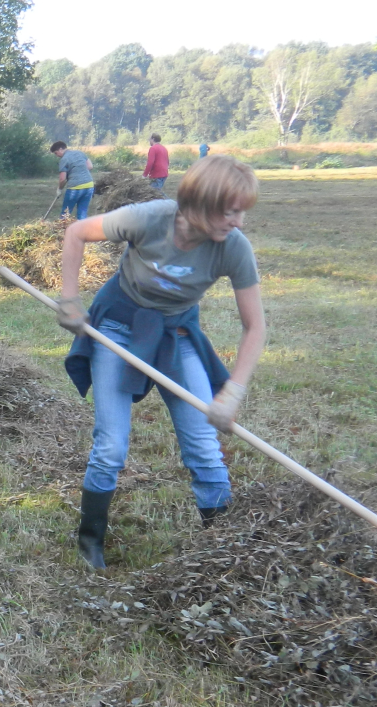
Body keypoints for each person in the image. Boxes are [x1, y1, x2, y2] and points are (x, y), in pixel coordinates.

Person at [53, 155, 266, 570]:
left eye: (243, 211)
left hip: (175, 334)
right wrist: (69, 298)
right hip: (117, 326)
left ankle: (221, 550)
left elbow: (255, 327)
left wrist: (232, 393)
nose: (239, 222)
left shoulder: (233, 249)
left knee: (204, 446)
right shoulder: (149, 218)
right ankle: (90, 540)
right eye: (231, 211)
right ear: (201, 204)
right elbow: (77, 232)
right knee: (111, 444)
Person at [51, 141, 97, 220]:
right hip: (89, 185)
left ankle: (62, 229)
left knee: (66, 212)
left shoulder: (64, 159)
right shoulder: (80, 153)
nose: (57, 155)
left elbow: (62, 179)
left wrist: (59, 189)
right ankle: (82, 231)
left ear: (61, 149)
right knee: (82, 212)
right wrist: (79, 171)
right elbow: (90, 166)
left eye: (56, 153)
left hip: (75, 188)